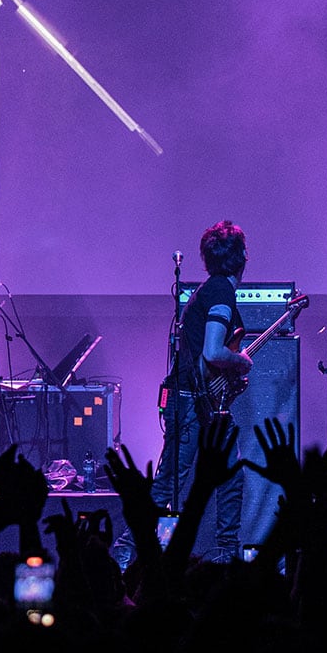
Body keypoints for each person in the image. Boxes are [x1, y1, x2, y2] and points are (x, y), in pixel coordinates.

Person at [129, 221, 252, 565]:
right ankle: (127, 553)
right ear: (243, 256)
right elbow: (213, 352)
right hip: (191, 403)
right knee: (170, 482)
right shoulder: (221, 293)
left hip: (203, 402)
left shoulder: (210, 290)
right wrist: (240, 362)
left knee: (229, 477)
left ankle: (227, 554)